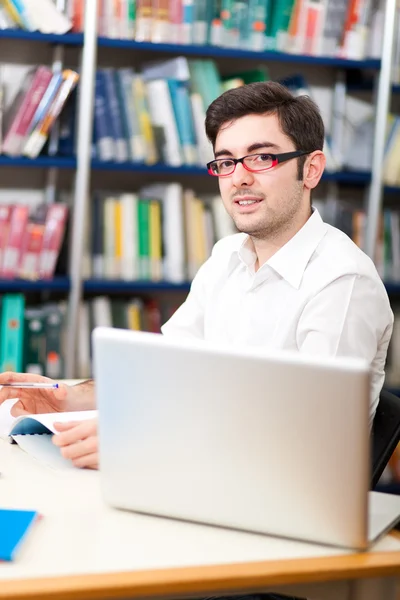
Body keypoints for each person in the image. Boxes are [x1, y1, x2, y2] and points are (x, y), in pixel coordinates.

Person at [0, 81, 394, 471]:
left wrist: (146, 439)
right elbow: (166, 370)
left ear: (311, 169)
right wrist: (67, 397)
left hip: (282, 503)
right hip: (208, 480)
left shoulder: (343, 282)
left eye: (261, 158)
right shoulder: (227, 258)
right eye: (226, 162)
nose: (239, 178)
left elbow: (314, 442)